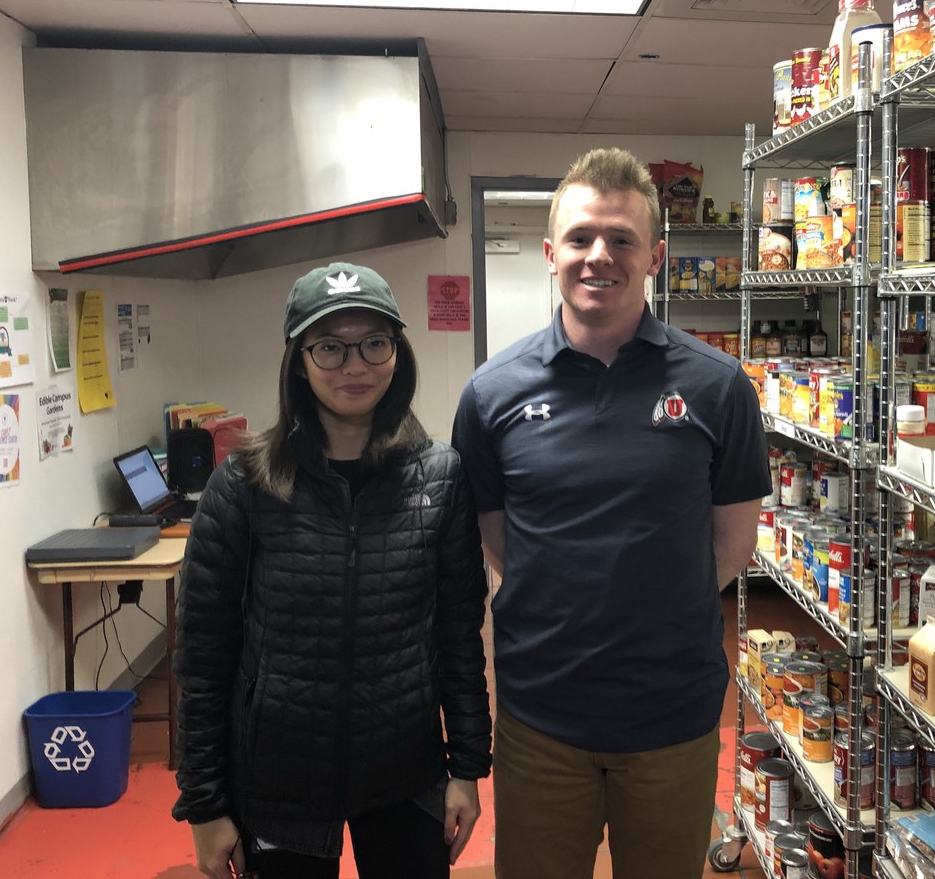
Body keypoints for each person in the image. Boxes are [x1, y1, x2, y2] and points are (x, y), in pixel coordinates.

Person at [452, 148, 771, 878]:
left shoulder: (720, 389)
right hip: (541, 721)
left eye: (622, 239)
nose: (600, 256)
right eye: (581, 238)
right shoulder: (492, 395)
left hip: (673, 716)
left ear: (655, 255)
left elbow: (731, 547)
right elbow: (501, 543)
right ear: (550, 254)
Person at [172, 261, 491, 879]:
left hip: (407, 776)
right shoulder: (242, 483)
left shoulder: (441, 477)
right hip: (277, 781)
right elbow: (203, 659)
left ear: (398, 352)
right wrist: (205, 805)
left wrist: (468, 769)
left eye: (375, 342)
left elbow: (459, 637)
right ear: (299, 360)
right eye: (330, 346)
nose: (355, 365)